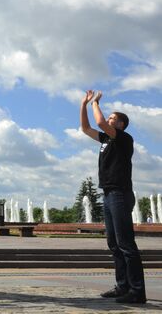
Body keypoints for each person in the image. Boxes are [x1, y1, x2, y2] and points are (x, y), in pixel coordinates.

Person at [80, 90, 146, 304]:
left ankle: (137, 291)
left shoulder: (124, 138)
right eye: (109, 118)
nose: (108, 120)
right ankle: (122, 286)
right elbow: (86, 128)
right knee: (114, 244)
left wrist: (95, 103)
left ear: (121, 125)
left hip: (120, 193)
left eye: (112, 119)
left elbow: (98, 122)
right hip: (108, 194)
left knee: (126, 243)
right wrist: (84, 104)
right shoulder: (106, 140)